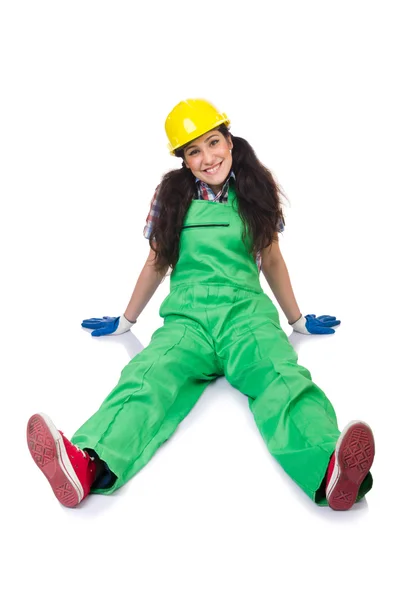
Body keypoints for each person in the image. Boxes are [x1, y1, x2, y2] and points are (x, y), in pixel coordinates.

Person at [27, 98, 375, 511]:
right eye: (194, 151)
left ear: (229, 141)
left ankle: (329, 467)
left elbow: (273, 260)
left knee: (280, 376)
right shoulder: (170, 196)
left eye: (213, 143)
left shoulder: (255, 190)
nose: (207, 157)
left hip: (246, 318)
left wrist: (296, 320)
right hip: (186, 322)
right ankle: (85, 464)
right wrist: (126, 319)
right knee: (146, 375)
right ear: (184, 160)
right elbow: (158, 261)